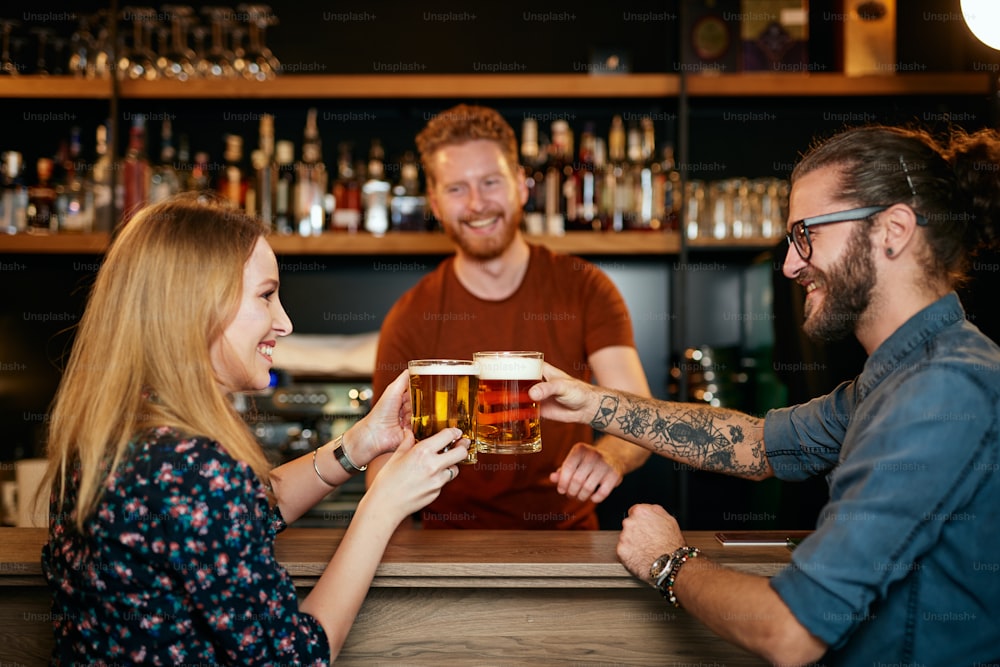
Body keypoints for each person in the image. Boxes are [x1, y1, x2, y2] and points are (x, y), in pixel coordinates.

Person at [528, 125, 1000, 665]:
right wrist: (591, 402)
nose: (791, 265)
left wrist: (667, 561)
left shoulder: (940, 389)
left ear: (892, 230)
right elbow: (752, 446)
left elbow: (789, 630)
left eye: (807, 234)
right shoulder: (897, 378)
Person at [39, 195, 470, 664]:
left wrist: (360, 444)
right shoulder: (193, 468)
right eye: (266, 295)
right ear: (195, 305)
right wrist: (383, 505)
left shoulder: (111, 437)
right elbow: (297, 658)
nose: (284, 322)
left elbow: (244, 514)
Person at [366, 104, 652, 529]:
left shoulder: (584, 287)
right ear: (436, 204)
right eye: (457, 189)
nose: (478, 203)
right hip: (447, 555)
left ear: (521, 185)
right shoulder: (411, 314)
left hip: (567, 545)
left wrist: (609, 454)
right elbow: (381, 456)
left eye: (490, 182)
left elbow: (639, 416)